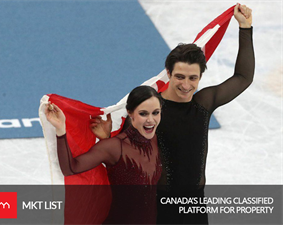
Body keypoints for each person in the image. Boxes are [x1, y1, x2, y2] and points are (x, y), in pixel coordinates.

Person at [92, 3, 254, 225]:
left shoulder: (203, 104)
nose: (186, 85)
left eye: (192, 78)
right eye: (179, 77)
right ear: (168, 73)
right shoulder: (150, 110)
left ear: (200, 76)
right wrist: (105, 138)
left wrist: (245, 28)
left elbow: (243, 77)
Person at [45, 85, 163, 225]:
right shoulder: (114, 146)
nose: (151, 120)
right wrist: (60, 130)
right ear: (130, 113)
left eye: (156, 113)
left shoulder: (155, 140)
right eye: (143, 114)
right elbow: (70, 168)